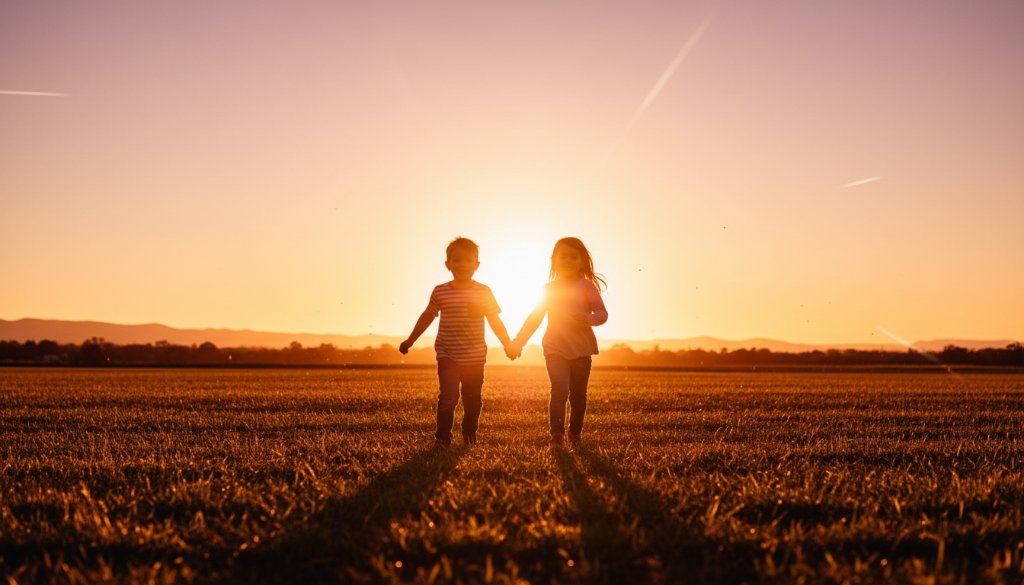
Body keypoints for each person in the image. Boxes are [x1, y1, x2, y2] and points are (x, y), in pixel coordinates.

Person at [400, 237, 517, 447]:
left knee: (473, 401)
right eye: (457, 260)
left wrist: (508, 344)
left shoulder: (483, 292)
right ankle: (443, 437)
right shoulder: (440, 291)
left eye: (468, 260)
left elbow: (495, 321)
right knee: (448, 398)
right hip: (447, 354)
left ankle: (469, 434)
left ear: (476, 265)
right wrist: (410, 340)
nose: (462, 264)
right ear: (448, 265)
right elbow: (427, 316)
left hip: (475, 357)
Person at [509, 237, 607, 447]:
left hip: (582, 350)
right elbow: (535, 317)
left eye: (574, 256)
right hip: (555, 349)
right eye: (563, 256)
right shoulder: (549, 289)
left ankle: (574, 434)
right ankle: (557, 436)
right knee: (560, 390)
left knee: (579, 397)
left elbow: (602, 313)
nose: (568, 260)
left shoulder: (587, 287)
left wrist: (588, 319)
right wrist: (518, 341)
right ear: (554, 260)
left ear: (582, 261)